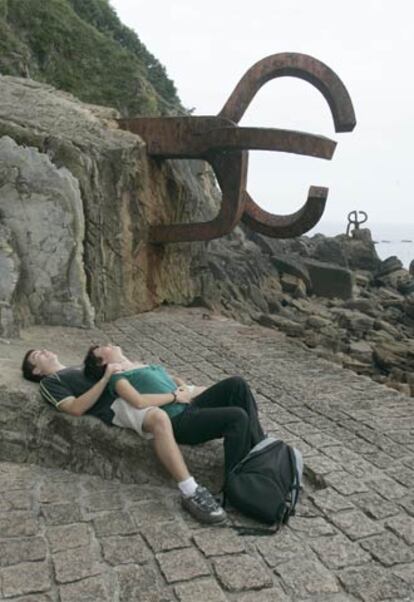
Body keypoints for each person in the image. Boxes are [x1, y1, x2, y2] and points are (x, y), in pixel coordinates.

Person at [21, 348, 226, 524]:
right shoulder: (50, 382)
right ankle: (191, 491)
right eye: (38, 354)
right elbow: (75, 408)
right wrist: (105, 378)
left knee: (224, 390)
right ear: (37, 370)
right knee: (159, 418)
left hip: (133, 388)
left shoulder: (79, 366)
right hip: (115, 404)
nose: (45, 351)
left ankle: (240, 435)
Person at [84, 344, 266, 480]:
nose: (108, 344)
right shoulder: (118, 378)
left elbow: (171, 380)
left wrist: (183, 388)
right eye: (102, 348)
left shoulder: (139, 366)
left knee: (237, 384)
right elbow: (139, 402)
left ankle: (261, 449)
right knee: (237, 417)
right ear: (103, 363)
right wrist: (174, 397)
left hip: (189, 405)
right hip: (179, 420)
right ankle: (236, 482)